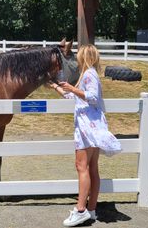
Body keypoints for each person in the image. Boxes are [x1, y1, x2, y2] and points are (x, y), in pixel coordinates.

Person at [49, 44, 121, 227]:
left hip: (86, 128)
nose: (76, 59)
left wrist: (72, 89)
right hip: (93, 126)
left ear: (84, 57)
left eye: (79, 55)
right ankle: (91, 210)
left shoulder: (89, 75)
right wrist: (57, 87)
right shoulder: (89, 74)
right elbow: (76, 97)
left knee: (81, 166)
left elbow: (93, 97)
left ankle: (80, 210)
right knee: (92, 168)